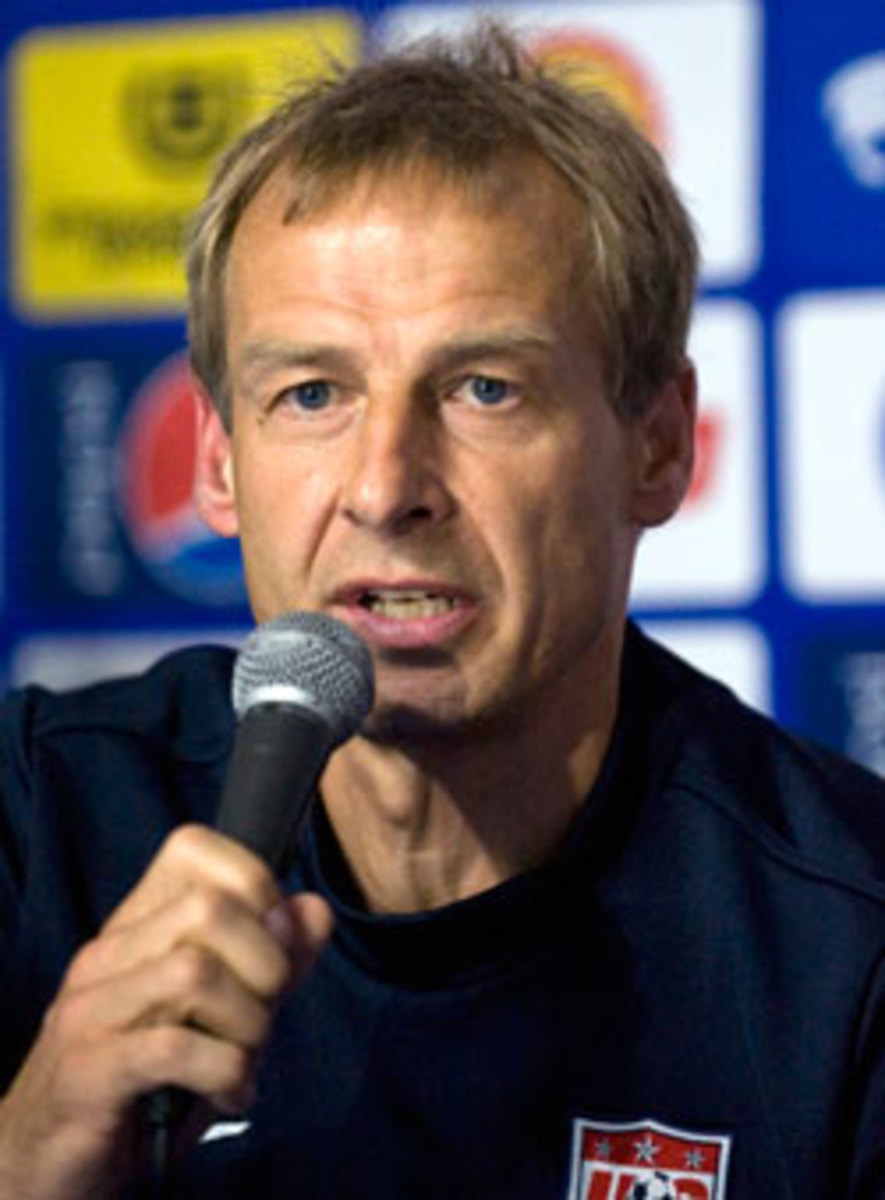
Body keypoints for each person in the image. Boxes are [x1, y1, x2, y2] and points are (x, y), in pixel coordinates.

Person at [0, 25, 883, 1199]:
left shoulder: (851, 949)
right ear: (219, 462)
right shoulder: (37, 821)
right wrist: (27, 1153)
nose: (384, 487)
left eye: (483, 389)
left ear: (659, 446)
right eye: (312, 393)